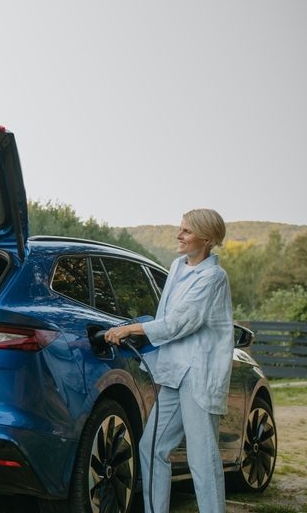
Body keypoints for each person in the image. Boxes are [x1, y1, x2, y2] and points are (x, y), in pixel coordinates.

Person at [104, 208, 234, 513]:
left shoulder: (214, 277)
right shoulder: (177, 266)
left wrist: (129, 328)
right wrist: (140, 332)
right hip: (174, 371)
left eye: (187, 231)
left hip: (199, 375)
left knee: (202, 459)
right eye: (181, 228)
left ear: (207, 238)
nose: (179, 235)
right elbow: (164, 318)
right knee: (151, 448)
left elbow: (179, 323)